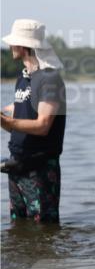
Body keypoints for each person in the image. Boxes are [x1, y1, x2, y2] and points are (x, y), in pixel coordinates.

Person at [0, 19, 67, 224]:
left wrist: (8, 124)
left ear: (22, 45)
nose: (10, 46)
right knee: (18, 229)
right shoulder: (24, 77)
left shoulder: (49, 79)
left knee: (44, 231)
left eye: (13, 42)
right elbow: (21, 106)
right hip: (17, 165)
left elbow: (43, 124)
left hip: (40, 170)